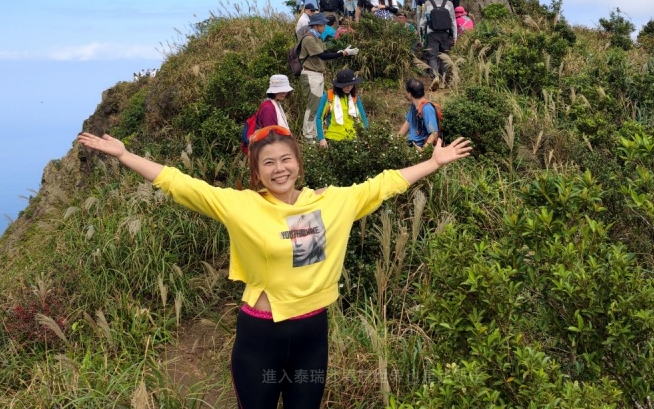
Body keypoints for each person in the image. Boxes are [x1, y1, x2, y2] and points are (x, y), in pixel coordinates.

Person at [75, 126, 473, 409]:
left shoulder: (333, 202)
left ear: (299, 163)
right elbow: (181, 184)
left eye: (286, 159)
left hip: (312, 334)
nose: (279, 168)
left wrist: (434, 162)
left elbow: (386, 184)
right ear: (258, 172)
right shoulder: (242, 205)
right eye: (269, 163)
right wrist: (125, 155)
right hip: (260, 337)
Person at [299, 13, 357, 142]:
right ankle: (308, 135)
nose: (324, 26)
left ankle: (312, 133)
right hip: (310, 74)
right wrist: (343, 54)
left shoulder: (317, 38)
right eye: (322, 24)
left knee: (318, 105)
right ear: (315, 25)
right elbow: (323, 56)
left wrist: (340, 52)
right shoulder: (309, 38)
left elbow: (325, 53)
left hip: (317, 73)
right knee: (313, 106)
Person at [416, 0, 456, 89]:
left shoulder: (428, 3)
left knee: (432, 57)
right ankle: (442, 80)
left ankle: (435, 77)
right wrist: (455, 37)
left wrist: (420, 36)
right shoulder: (449, 4)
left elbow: (423, 21)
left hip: (432, 34)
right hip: (445, 34)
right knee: (444, 57)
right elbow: (453, 22)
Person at [315, 69, 367, 148]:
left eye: (351, 84)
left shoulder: (355, 97)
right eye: (345, 84)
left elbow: (363, 117)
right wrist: (321, 138)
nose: (349, 87)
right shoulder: (329, 95)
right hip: (332, 138)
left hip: (352, 138)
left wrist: (366, 135)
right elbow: (319, 117)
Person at [397, 78, 441, 148]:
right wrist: (396, 142)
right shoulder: (413, 106)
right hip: (411, 145)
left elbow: (434, 133)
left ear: (410, 94)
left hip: (421, 147)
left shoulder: (427, 109)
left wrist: (423, 150)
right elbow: (408, 123)